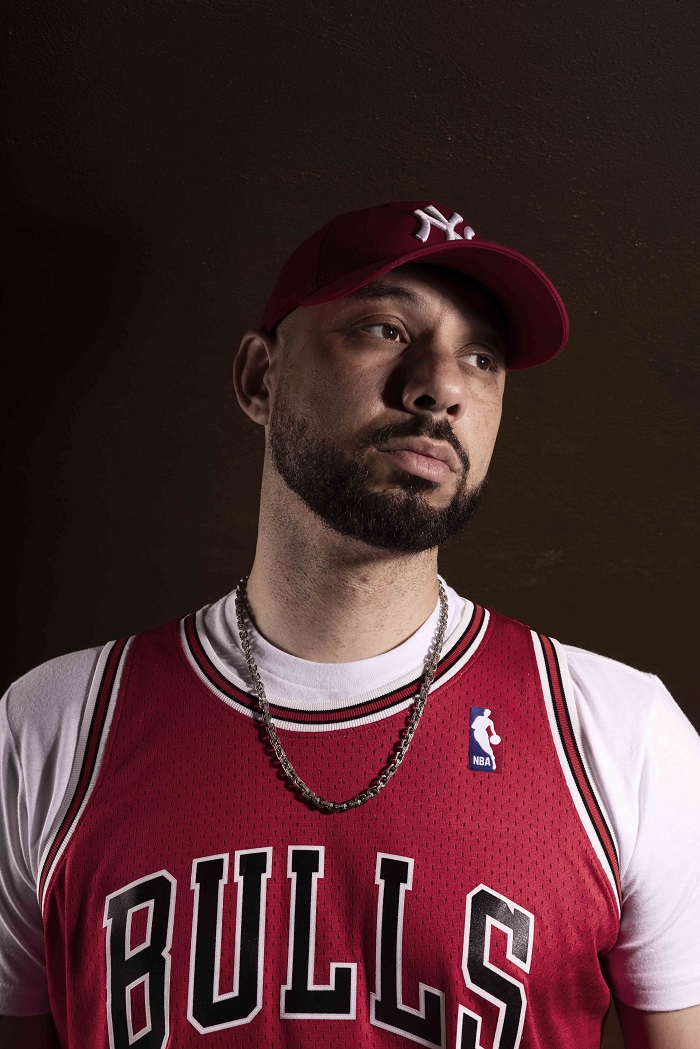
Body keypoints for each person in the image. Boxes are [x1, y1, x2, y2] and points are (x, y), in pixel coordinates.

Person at [1, 200, 699, 1049]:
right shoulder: (51, 729)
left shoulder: (622, 737)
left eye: (481, 356)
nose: (441, 386)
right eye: (385, 329)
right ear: (261, 379)